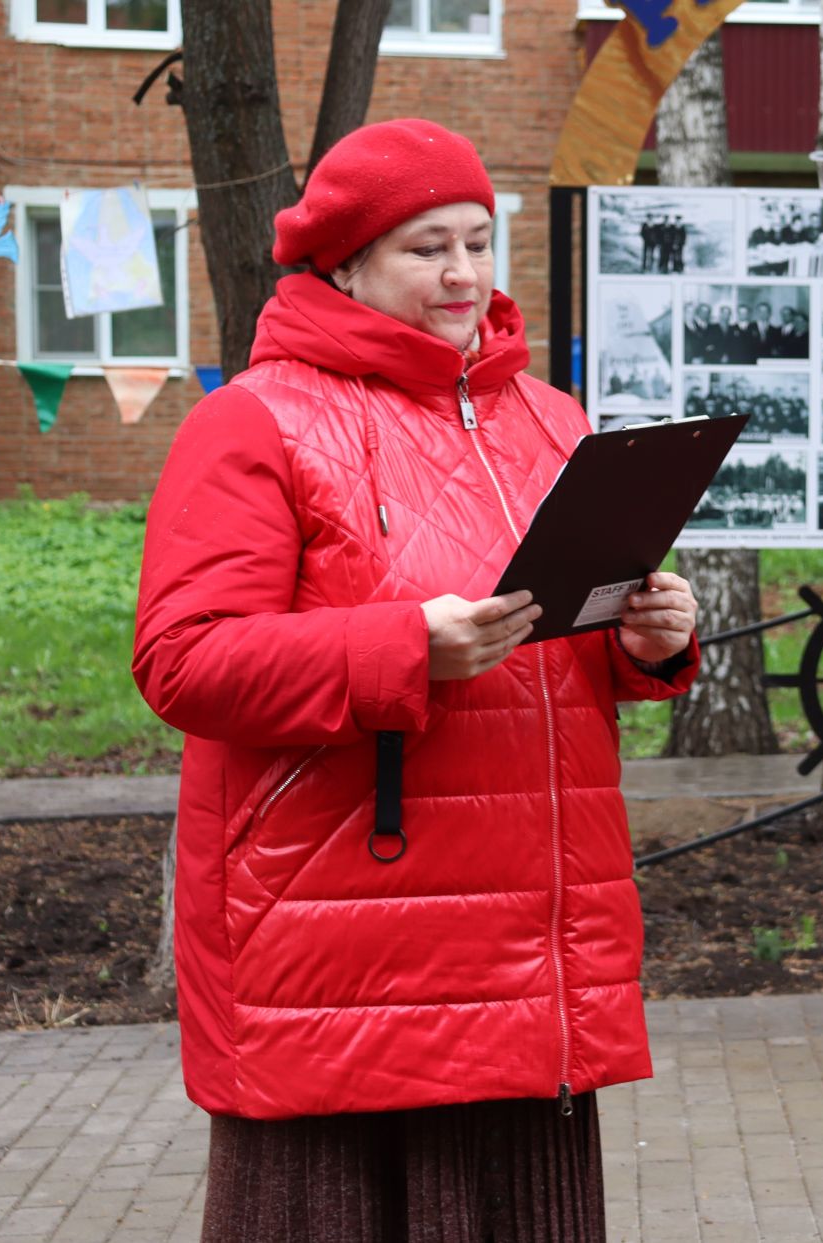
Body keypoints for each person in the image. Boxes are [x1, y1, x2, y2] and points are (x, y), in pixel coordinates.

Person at [132, 119, 701, 1243]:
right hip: (337, 939)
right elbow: (183, 659)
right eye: (425, 247)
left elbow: (556, 637)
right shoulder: (256, 420)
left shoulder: (548, 421)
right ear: (343, 264)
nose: (463, 276)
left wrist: (645, 641)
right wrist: (401, 649)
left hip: (532, 942)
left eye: (480, 243)